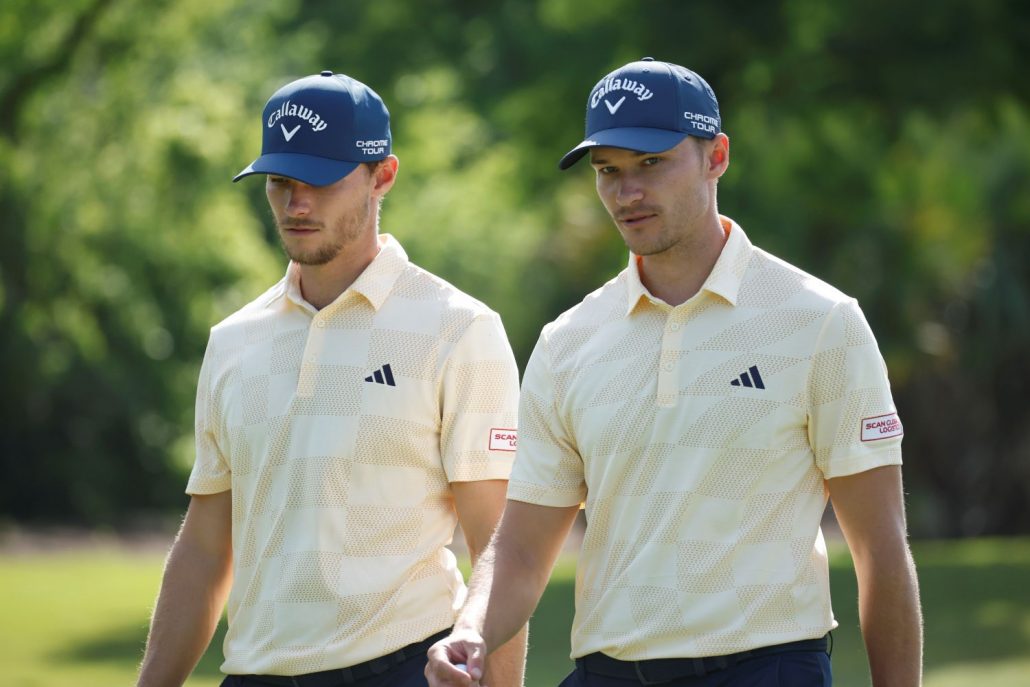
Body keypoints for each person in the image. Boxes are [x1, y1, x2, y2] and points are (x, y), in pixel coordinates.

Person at [426, 58, 923, 686]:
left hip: (767, 669)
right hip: (609, 672)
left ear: (716, 156)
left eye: (651, 164)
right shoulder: (568, 341)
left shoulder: (820, 322)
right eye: (608, 171)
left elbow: (881, 550)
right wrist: (470, 630)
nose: (626, 192)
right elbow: (522, 548)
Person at [137, 70, 526, 687]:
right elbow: (207, 544)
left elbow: (499, 543)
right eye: (280, 182)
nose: (296, 204)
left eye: (319, 181)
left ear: (383, 176)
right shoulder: (234, 341)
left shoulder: (459, 328)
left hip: (401, 669)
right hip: (253, 673)